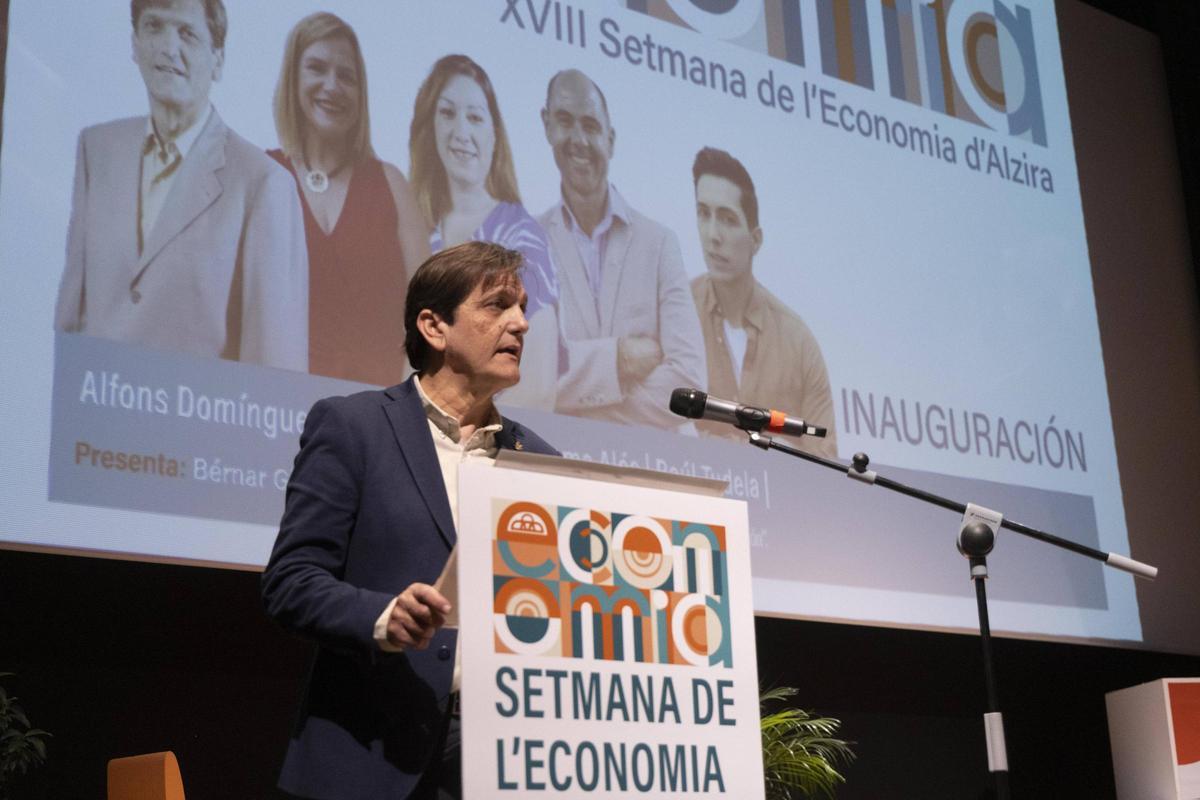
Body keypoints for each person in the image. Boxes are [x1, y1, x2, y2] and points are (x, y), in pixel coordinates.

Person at [262, 241, 558, 800]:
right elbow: (291, 582)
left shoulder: (540, 461)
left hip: (502, 760)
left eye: (523, 308)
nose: (520, 323)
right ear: (434, 327)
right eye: (498, 306)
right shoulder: (354, 427)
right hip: (372, 754)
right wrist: (383, 616)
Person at [54, 0, 307, 369]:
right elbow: (70, 324)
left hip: (196, 405)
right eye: (154, 26)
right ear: (134, 44)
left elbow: (275, 373)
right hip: (97, 400)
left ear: (218, 60)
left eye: (187, 33)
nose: (168, 47)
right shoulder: (97, 149)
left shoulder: (264, 183)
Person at [537, 69, 706, 431]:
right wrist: (619, 361)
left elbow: (689, 383)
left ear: (610, 140)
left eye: (591, 126)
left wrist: (580, 407)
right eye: (565, 121)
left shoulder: (659, 244)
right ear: (547, 126)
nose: (579, 140)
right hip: (560, 461)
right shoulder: (526, 245)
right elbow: (528, 376)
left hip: (658, 461)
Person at [269, 12, 430, 386]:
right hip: (274, 407)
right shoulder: (264, 176)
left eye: (346, 76)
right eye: (317, 68)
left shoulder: (391, 185)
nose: (332, 86)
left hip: (377, 411)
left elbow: (431, 316)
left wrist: (403, 406)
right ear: (292, 79)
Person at [409, 54, 559, 411]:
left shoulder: (524, 238)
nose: (461, 132)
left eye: (475, 118)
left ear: (494, 135)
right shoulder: (416, 223)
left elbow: (539, 384)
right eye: (447, 114)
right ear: (430, 127)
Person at [690, 146, 837, 458]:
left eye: (727, 219)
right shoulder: (678, 311)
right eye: (704, 214)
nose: (712, 234)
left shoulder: (798, 342)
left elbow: (824, 453)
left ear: (755, 239)